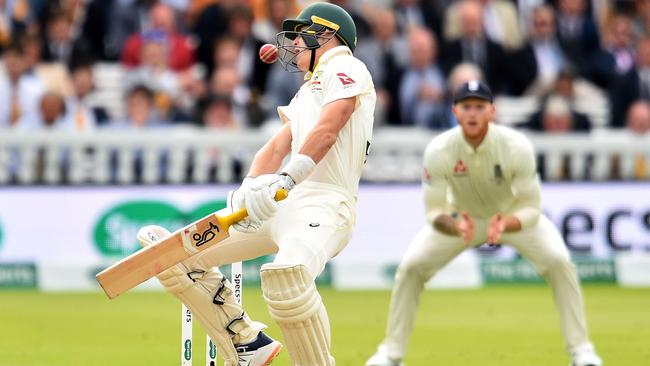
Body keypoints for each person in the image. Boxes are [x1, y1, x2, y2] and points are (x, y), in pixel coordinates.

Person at [137, 3, 375, 365]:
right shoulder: (306, 91)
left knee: (286, 277)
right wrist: (250, 188)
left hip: (326, 204)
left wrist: (284, 180)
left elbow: (330, 128)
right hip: (283, 201)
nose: (293, 43)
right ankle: (245, 342)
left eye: (300, 34)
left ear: (324, 34)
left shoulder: (347, 67)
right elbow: (277, 146)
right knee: (175, 256)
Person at [365, 80, 602, 366]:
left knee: (559, 261)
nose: (473, 113)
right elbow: (433, 211)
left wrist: (506, 224)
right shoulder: (440, 150)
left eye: (479, 107)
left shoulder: (516, 146)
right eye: (467, 107)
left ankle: (581, 351)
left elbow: (532, 208)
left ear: (492, 111)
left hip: (511, 217)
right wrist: (453, 225)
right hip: (461, 219)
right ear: (455, 111)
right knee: (411, 267)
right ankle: (391, 354)